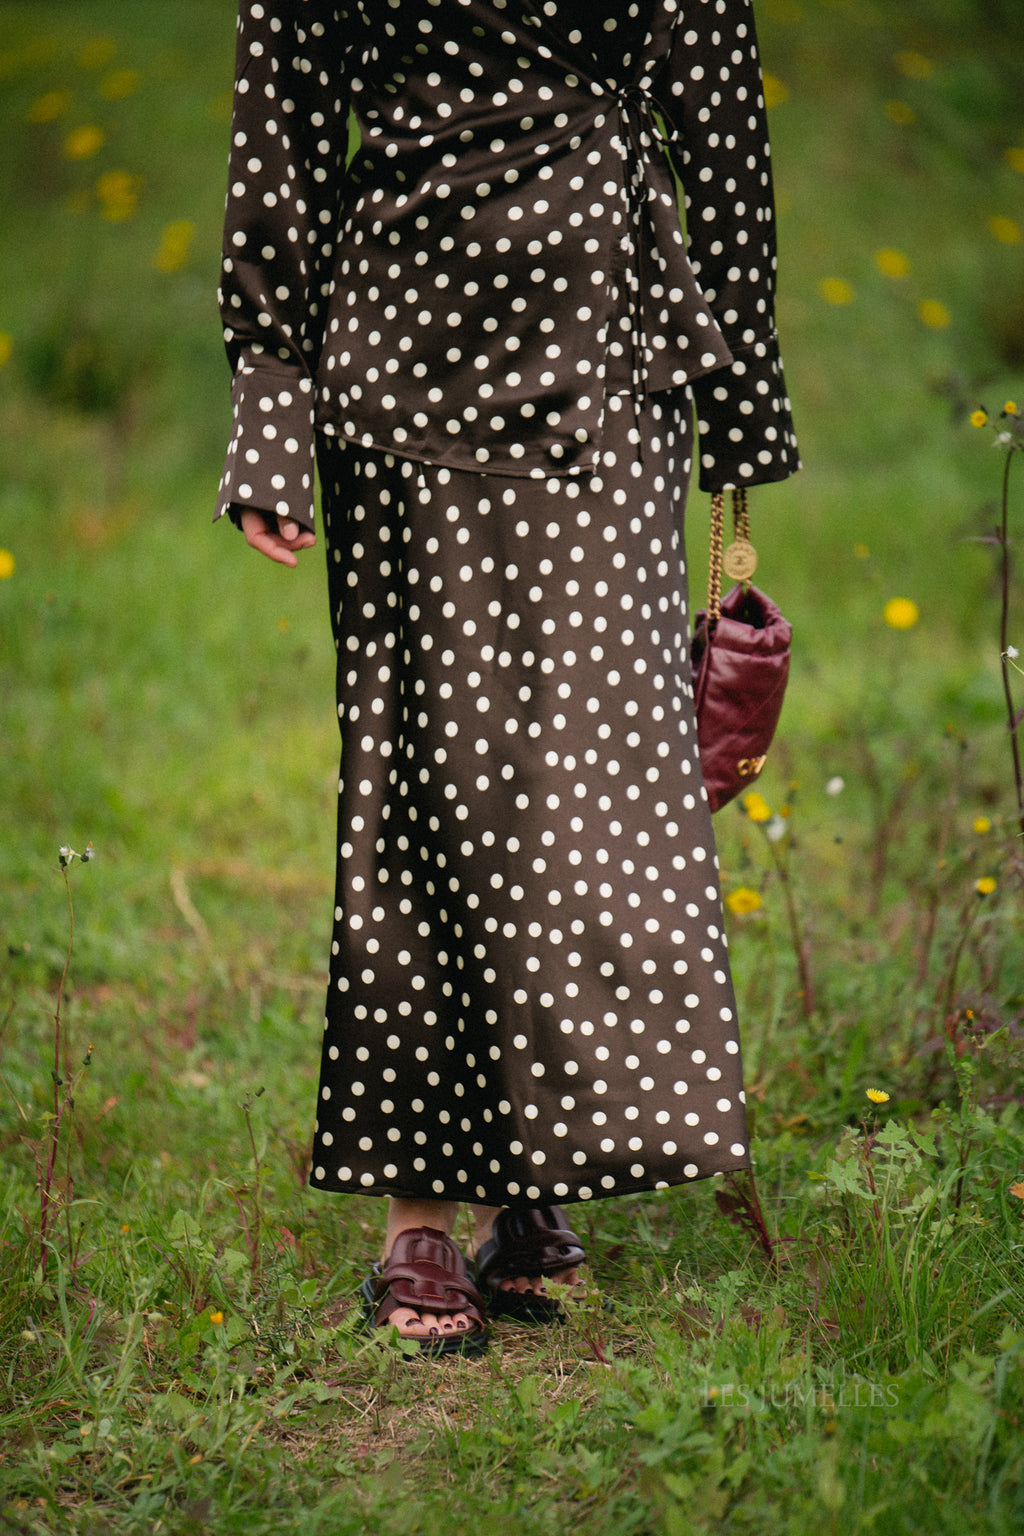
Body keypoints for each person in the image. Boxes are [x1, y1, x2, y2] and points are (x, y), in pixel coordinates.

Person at [215, 0, 798, 1356]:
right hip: (403, 355)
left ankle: (532, 1183)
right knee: (432, 779)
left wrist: (744, 414)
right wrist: (268, 410)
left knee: (582, 785)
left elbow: (718, 113)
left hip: (606, 354)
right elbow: (284, 128)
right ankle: (420, 1213)